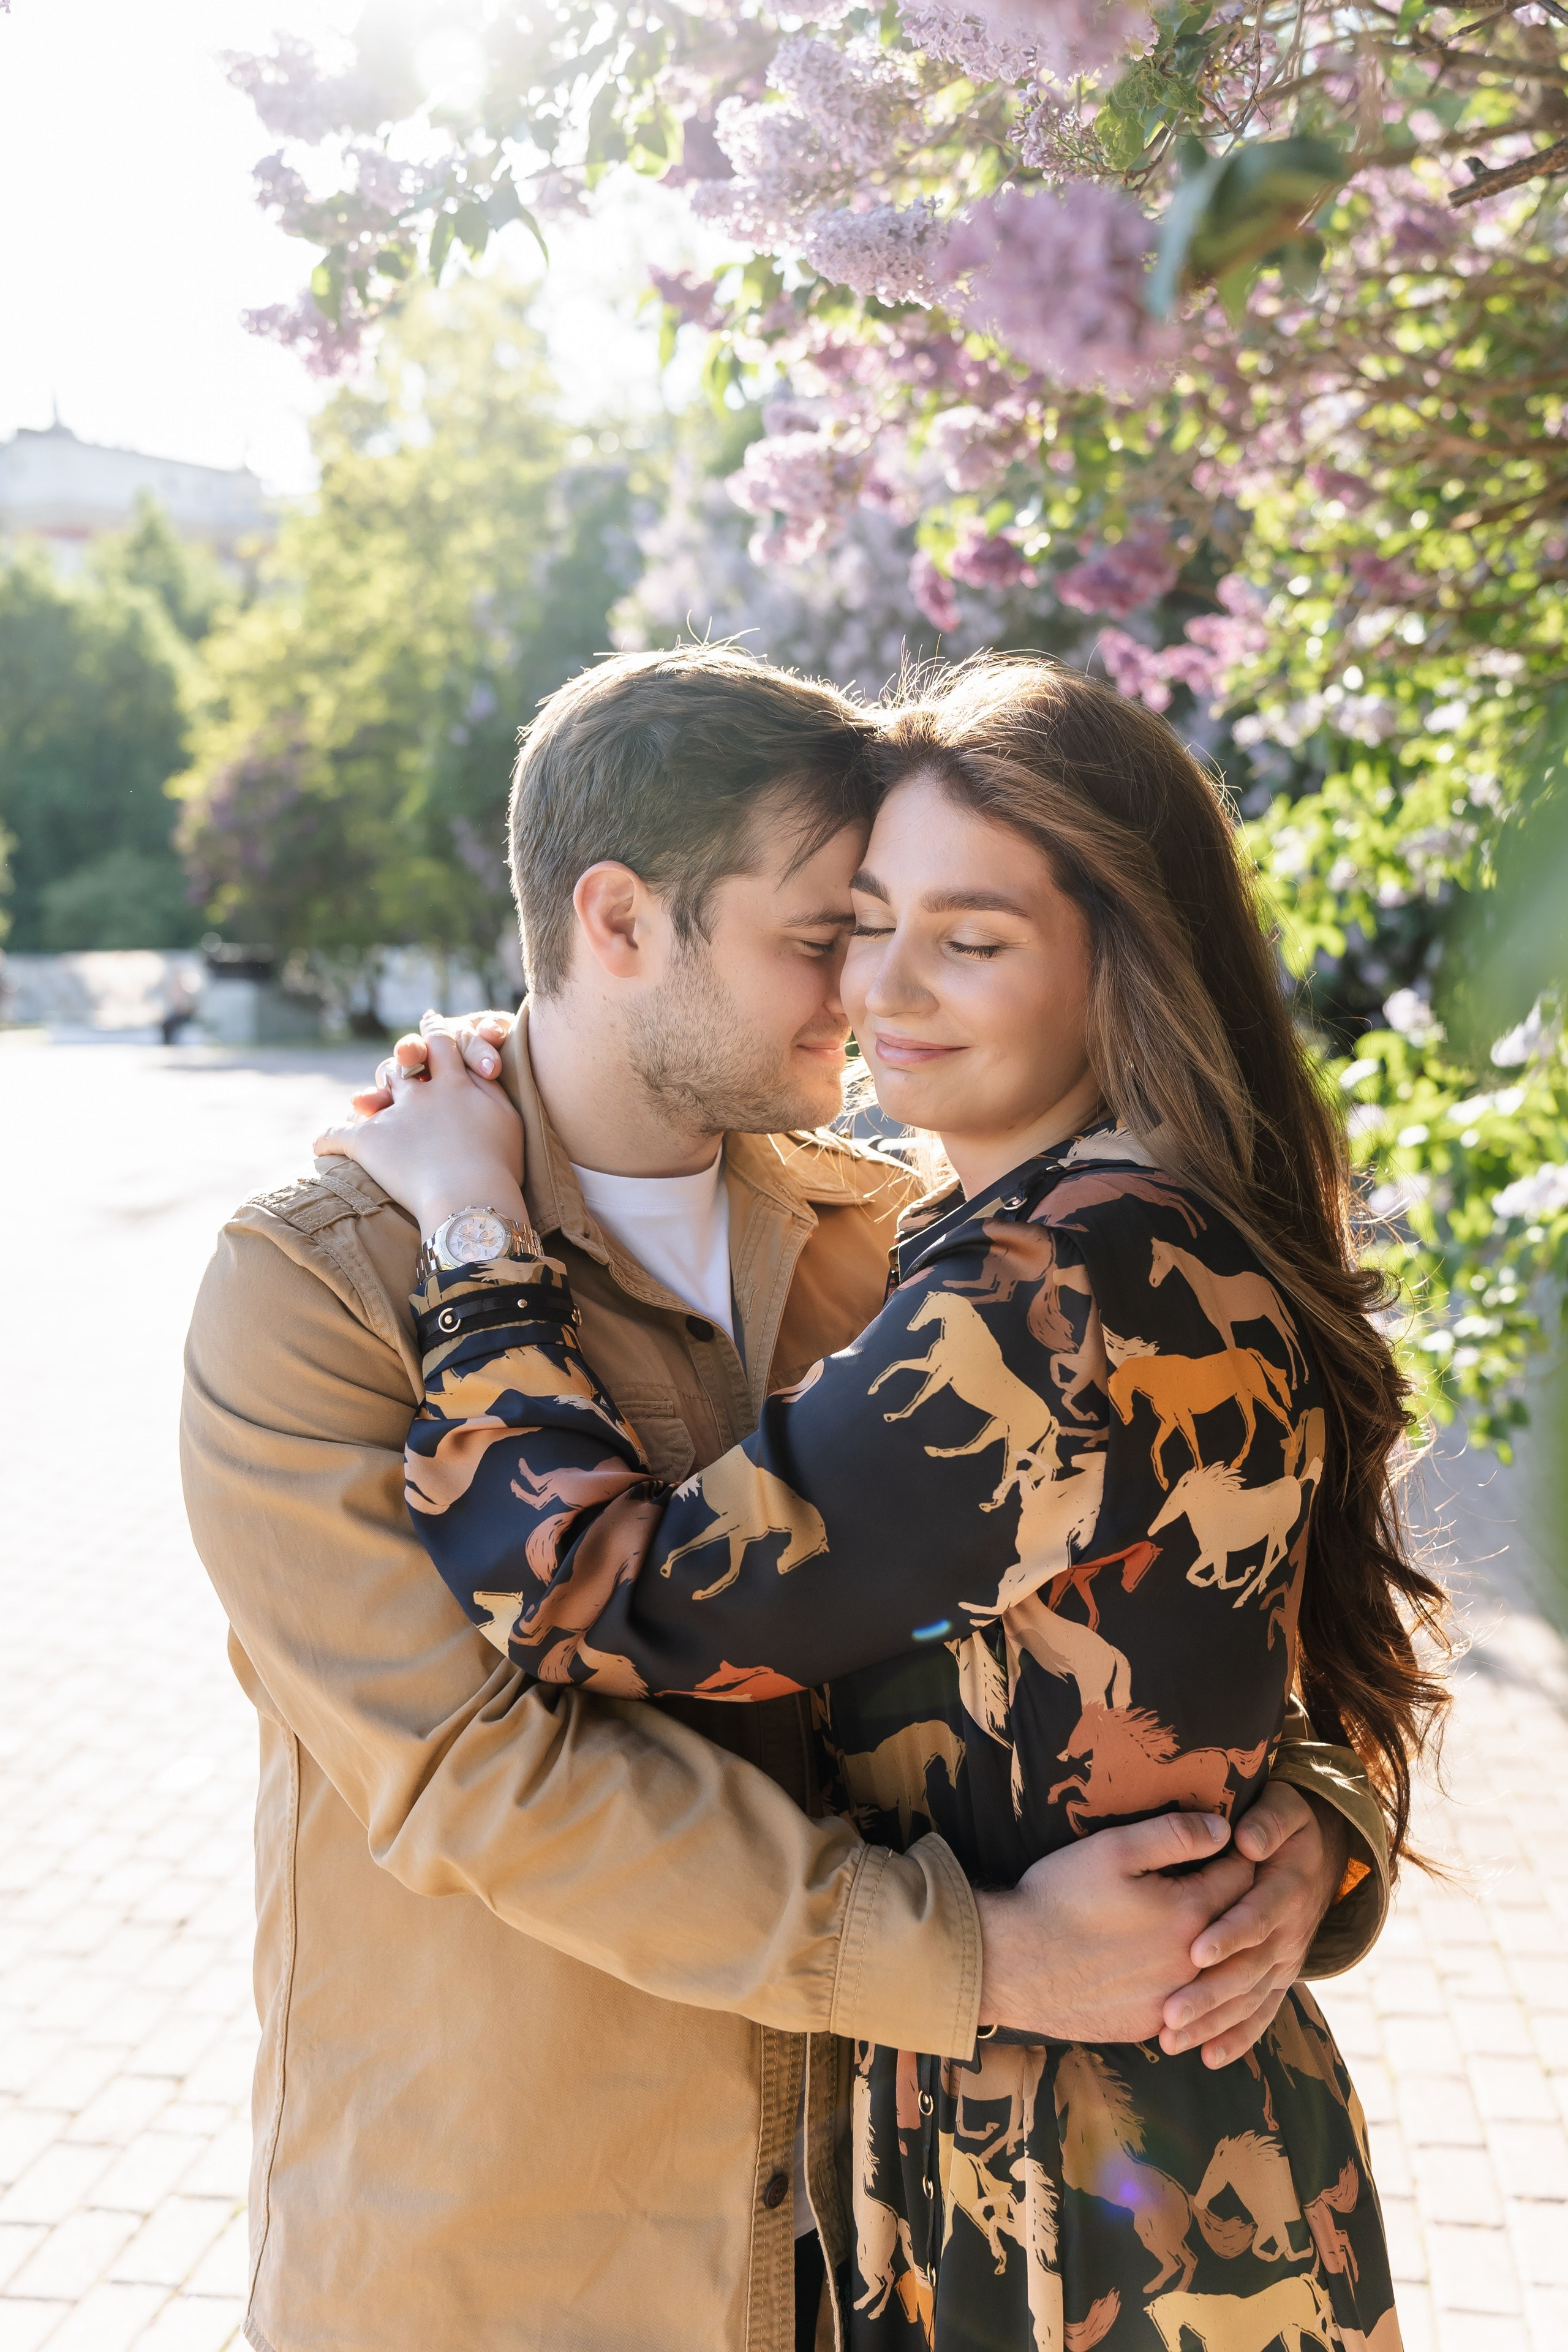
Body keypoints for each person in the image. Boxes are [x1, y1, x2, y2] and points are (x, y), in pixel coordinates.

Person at [186, 644, 1385, 2352]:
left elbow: (1239, 1601)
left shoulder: (906, 1250)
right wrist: (984, 1959)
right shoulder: (323, 1290)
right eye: (830, 935)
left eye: (917, 932)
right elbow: (482, 1781)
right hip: (527, 2271)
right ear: (619, 923)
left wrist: (1311, 1828)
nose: (870, 992)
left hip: (904, 2251)